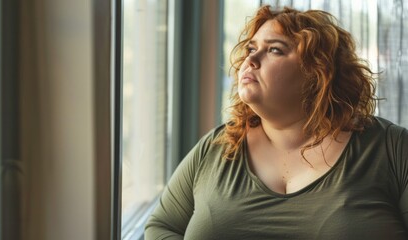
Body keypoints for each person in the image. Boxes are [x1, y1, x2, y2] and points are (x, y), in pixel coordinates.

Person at [145, 5, 408, 239]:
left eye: (274, 50)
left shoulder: (392, 149)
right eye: (251, 48)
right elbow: (161, 227)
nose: (250, 60)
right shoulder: (215, 148)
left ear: (319, 73)